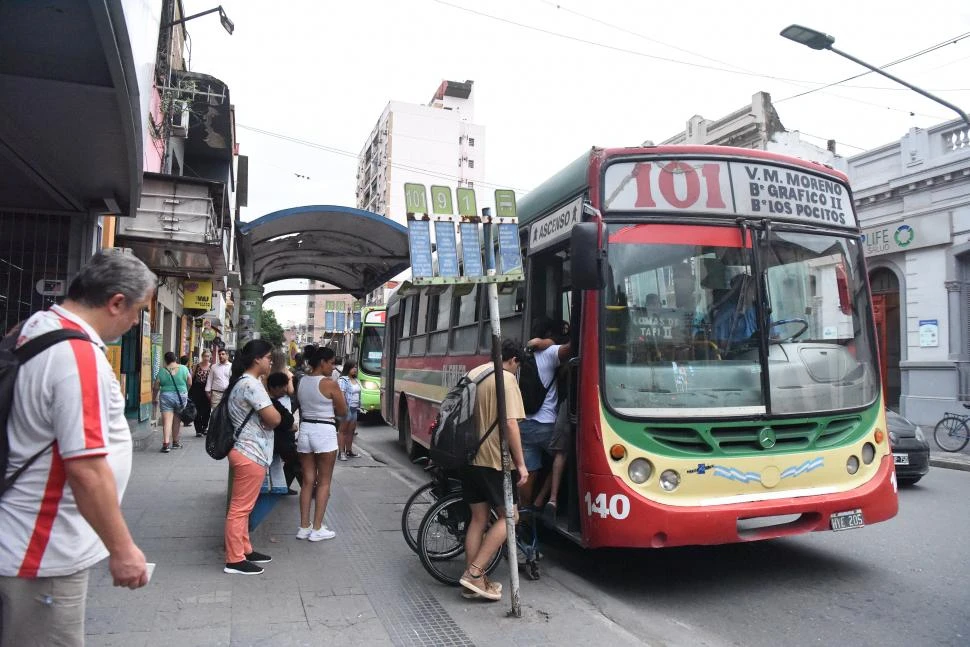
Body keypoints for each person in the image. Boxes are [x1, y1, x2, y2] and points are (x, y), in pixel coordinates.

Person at [0, 250, 154, 645]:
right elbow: (86, 468)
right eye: (137, 311)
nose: (136, 321)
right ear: (116, 301)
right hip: (42, 552)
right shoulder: (77, 356)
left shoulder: (32, 327)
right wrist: (122, 549)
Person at [458, 339, 528, 602]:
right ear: (513, 361)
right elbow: (510, 424)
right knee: (511, 516)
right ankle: (475, 573)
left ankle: (472, 581)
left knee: (478, 519)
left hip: (468, 457)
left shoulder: (474, 373)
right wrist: (521, 464)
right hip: (493, 460)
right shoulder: (506, 380)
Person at [223, 340, 281, 575]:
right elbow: (275, 418)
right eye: (268, 357)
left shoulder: (244, 382)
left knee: (244, 507)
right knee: (239, 508)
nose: (271, 362)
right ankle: (234, 560)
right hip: (250, 452)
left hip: (247, 450)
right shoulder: (251, 386)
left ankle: (245, 549)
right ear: (257, 359)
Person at [295, 347, 348, 541]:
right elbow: (343, 411)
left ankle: (303, 526)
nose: (333, 367)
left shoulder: (302, 381)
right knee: (324, 482)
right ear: (323, 362)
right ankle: (317, 528)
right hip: (324, 431)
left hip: (306, 431)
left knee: (308, 481)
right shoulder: (329, 384)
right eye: (332, 362)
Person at [518, 317, 571, 507]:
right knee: (562, 455)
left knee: (528, 472)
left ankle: (523, 512)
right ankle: (543, 499)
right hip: (545, 425)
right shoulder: (550, 352)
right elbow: (572, 348)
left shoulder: (525, 355)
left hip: (524, 424)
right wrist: (554, 341)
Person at [267, 372, 301, 494]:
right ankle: (310, 490)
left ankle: (284, 486)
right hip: (278, 441)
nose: (285, 390)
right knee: (297, 461)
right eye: (283, 387)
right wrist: (290, 426)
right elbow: (285, 420)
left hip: (280, 440)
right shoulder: (270, 402)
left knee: (293, 461)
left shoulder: (274, 401)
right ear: (275, 388)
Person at [153, 351, 192, 452]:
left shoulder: (162, 371)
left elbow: (156, 386)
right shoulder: (184, 368)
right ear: (175, 358)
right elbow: (189, 382)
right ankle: (175, 442)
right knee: (177, 421)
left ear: (165, 360)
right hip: (181, 396)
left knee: (167, 421)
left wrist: (154, 398)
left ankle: (166, 444)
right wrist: (185, 390)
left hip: (166, 396)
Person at [337, 360, 362, 460]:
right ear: (347, 368)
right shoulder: (343, 380)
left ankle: (349, 451)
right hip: (347, 408)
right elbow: (341, 394)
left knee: (351, 431)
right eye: (353, 367)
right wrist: (344, 407)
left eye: (356, 367)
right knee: (343, 431)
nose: (355, 369)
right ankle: (341, 453)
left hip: (354, 408)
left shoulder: (356, 380)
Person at [189, 349, 213, 437]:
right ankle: (198, 430)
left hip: (207, 390)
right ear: (202, 356)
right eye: (205, 356)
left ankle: (205, 427)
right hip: (197, 390)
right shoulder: (196, 366)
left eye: (208, 356)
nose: (206, 358)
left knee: (207, 410)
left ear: (210, 357)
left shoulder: (212, 367)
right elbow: (191, 378)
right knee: (197, 410)